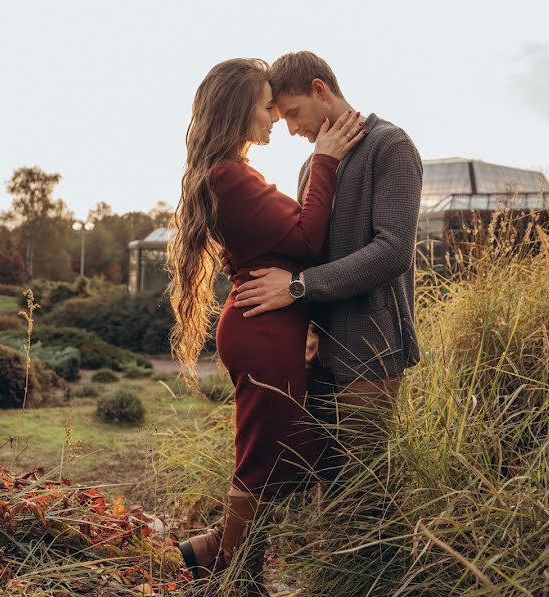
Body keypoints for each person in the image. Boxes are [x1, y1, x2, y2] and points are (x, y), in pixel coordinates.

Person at [166, 57, 365, 589]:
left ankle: (217, 551)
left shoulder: (234, 173)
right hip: (263, 332)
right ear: (238, 111)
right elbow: (306, 241)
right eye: (265, 105)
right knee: (261, 463)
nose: (275, 116)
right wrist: (323, 159)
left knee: (286, 456)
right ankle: (235, 574)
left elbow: (292, 244)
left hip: (268, 329)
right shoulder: (230, 175)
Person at [230, 51, 423, 497]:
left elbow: (393, 251)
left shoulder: (389, 146)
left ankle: (374, 568)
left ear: (321, 90)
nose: (292, 129)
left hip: (371, 350)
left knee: (365, 490)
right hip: (318, 354)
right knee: (324, 484)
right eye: (281, 118)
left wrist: (298, 288)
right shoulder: (312, 165)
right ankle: (321, 568)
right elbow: (305, 248)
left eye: (294, 113)